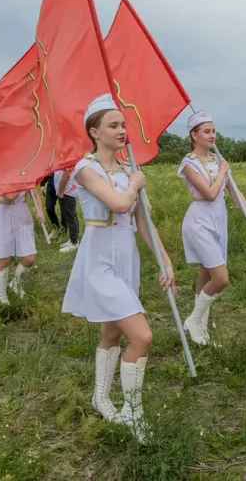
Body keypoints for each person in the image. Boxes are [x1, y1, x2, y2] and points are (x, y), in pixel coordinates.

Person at [61, 93, 175, 444]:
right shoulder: (84, 168)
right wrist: (136, 185)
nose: (122, 130)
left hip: (126, 256)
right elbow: (119, 202)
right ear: (95, 132)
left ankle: (100, 397)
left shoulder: (129, 171)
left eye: (124, 124)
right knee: (142, 336)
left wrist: (165, 260)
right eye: (114, 125)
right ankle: (132, 412)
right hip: (99, 259)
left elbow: (142, 221)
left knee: (112, 332)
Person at [178, 110, 246, 347]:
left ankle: (200, 326)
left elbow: (234, 192)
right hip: (199, 221)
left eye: (213, 131)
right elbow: (211, 192)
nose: (212, 135)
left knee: (206, 274)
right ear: (194, 135)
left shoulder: (217, 160)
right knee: (221, 278)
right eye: (207, 131)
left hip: (218, 220)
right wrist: (224, 169)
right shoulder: (188, 163)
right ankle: (193, 320)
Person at [0, 189, 45, 305]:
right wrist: (21, 181)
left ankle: (16, 284)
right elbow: (9, 197)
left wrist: (40, 211)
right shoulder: (2, 175)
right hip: (4, 215)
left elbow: (35, 194)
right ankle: (1, 296)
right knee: (4, 259)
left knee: (30, 257)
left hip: (22, 215)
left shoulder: (24, 172)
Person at [54, 166, 80, 253]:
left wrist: (61, 191)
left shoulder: (65, 158)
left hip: (66, 191)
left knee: (70, 217)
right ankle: (73, 238)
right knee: (71, 215)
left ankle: (74, 242)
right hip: (67, 191)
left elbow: (66, 175)